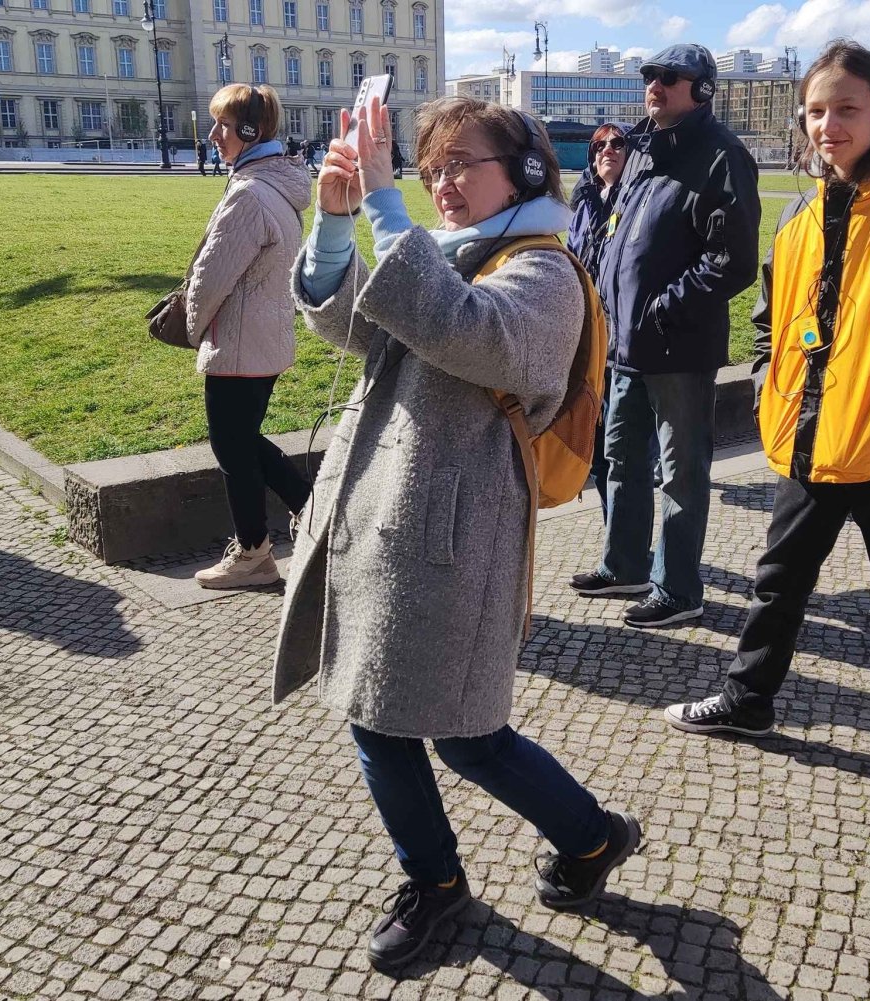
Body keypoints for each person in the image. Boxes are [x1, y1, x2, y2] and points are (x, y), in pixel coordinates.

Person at [276, 94, 642, 971]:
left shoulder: (546, 270)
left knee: (466, 733)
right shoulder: (452, 252)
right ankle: (443, 877)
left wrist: (382, 201)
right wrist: (334, 226)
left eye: (460, 165)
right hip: (386, 520)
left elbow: (467, 332)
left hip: (457, 536)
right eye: (430, 168)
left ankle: (588, 836)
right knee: (379, 716)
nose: (441, 183)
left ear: (523, 173)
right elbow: (361, 325)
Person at [664, 40, 870, 808]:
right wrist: (766, 382)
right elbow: (770, 317)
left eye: (847, 108)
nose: (828, 125)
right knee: (777, 584)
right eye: (816, 110)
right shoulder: (800, 212)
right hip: (810, 439)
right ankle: (749, 698)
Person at [572, 42, 762, 628]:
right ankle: (624, 565)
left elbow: (732, 261)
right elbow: (619, 235)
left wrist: (662, 308)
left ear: (701, 89)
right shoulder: (642, 149)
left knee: (680, 473)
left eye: (669, 77)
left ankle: (678, 590)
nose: (654, 85)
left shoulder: (722, 156)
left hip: (678, 346)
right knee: (620, 459)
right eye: (650, 75)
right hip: (624, 342)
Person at [187, 84, 314, 589]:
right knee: (240, 441)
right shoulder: (276, 184)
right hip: (266, 337)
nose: (214, 135)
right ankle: (313, 513)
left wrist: (192, 328)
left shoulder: (249, 193)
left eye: (223, 125)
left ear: (249, 130)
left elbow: (210, 277)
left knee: (232, 448)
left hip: (239, 341)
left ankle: (254, 553)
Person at [565, 122, 641, 518]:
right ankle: (616, 536)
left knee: (620, 450)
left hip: (622, 342)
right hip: (588, 338)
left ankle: (625, 544)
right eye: (598, 146)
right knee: (595, 447)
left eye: (617, 144)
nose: (606, 151)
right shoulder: (585, 201)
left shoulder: (637, 201)